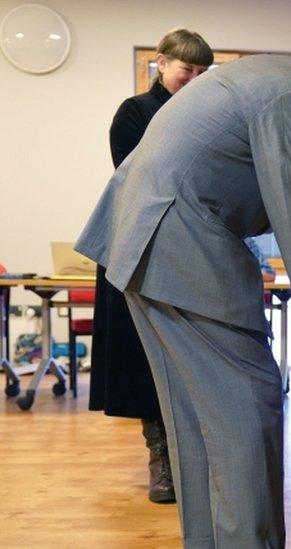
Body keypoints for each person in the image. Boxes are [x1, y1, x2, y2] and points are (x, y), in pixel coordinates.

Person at [76, 55, 291, 548]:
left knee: (198, 419)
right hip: (177, 245)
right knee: (248, 405)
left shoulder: (275, 80)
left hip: (145, 242)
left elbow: (252, 186)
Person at [89, 28, 212, 505]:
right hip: (140, 249)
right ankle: (161, 459)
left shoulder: (204, 117)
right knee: (144, 362)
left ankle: (187, 460)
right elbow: (144, 177)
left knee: (185, 363)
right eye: (188, 70)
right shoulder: (134, 112)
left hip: (188, 251)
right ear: (161, 63)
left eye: (203, 74)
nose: (195, 79)